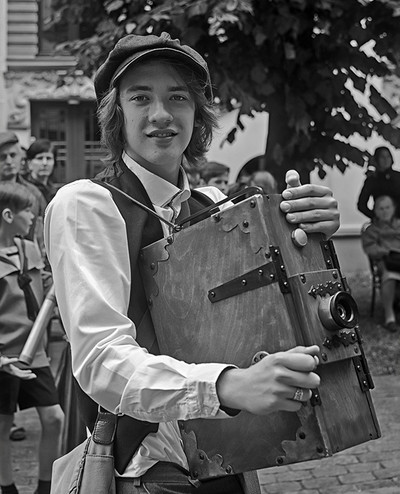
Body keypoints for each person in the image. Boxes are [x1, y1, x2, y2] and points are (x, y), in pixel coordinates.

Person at [44, 32, 340, 494]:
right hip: (146, 471)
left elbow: (277, 317)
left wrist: (312, 234)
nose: (161, 114)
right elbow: (101, 360)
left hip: (231, 461)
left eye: (178, 97)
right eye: (140, 97)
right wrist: (225, 387)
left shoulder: (217, 204)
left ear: (197, 113)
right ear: (116, 113)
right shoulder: (86, 204)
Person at [0, 182, 64, 494]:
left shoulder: (30, 249)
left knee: (54, 419)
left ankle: (45, 488)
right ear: (8, 215)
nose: (33, 219)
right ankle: (8, 488)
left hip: (34, 354)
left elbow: (47, 283)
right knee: (2, 425)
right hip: (4, 357)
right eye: (28, 212)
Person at [0, 132, 47, 254]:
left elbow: (42, 236)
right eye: (2, 157)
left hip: (27, 259)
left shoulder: (34, 194)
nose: (9, 161)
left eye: (13, 155)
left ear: (21, 157)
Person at [361, 195, 400, 333]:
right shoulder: (371, 230)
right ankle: (390, 317)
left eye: (387, 207)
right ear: (375, 211)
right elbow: (370, 249)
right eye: (381, 208)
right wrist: (388, 252)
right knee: (390, 276)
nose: (385, 211)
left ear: (393, 208)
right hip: (386, 262)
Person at [357, 146, 400, 219]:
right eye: (382, 157)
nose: (386, 159)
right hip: (381, 222)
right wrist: (375, 217)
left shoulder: (398, 176)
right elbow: (361, 205)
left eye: (388, 156)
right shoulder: (372, 180)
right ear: (376, 159)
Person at [25, 139, 58, 205]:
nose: (45, 163)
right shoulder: (24, 190)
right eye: (40, 158)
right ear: (29, 163)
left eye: (48, 158)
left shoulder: (54, 190)